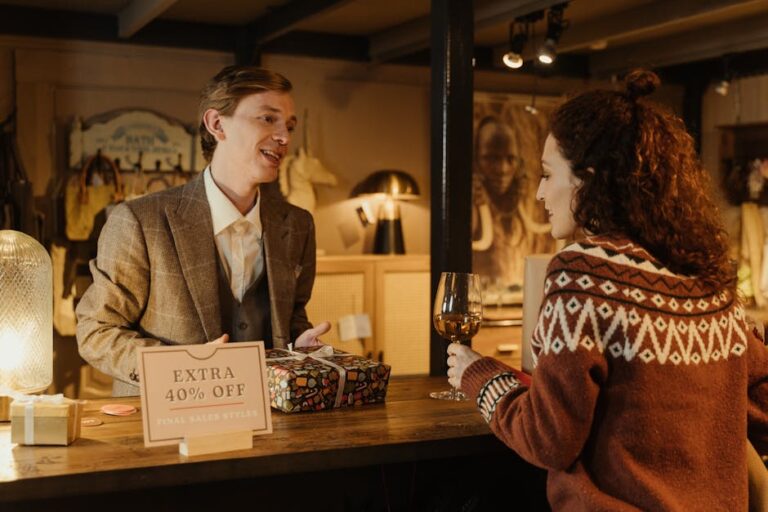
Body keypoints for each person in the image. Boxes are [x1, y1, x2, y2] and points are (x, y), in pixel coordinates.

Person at [447, 69, 768, 510]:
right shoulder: (709, 281)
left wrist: (476, 374)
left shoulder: (581, 273)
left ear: (589, 179)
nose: (540, 192)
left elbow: (548, 439)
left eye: (547, 174)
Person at [76, 66, 329, 396]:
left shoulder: (298, 225)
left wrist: (299, 344)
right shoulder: (140, 221)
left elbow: (292, 315)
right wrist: (180, 367)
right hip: (163, 426)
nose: (284, 137)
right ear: (216, 124)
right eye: (268, 119)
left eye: (289, 126)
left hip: (264, 417)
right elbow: (96, 331)